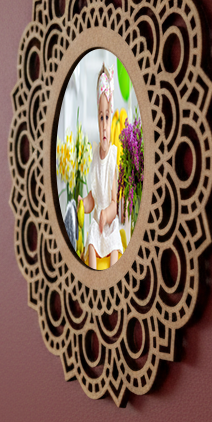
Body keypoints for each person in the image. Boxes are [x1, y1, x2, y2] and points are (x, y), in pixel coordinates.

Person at [81, 63, 124, 268]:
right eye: (101, 117)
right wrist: (84, 204)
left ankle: (112, 274)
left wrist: (107, 214)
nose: (104, 124)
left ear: (112, 116)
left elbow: (115, 201)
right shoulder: (94, 158)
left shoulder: (114, 157)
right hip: (97, 225)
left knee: (115, 240)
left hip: (108, 221)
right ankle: (92, 273)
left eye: (107, 116)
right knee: (91, 238)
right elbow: (92, 198)